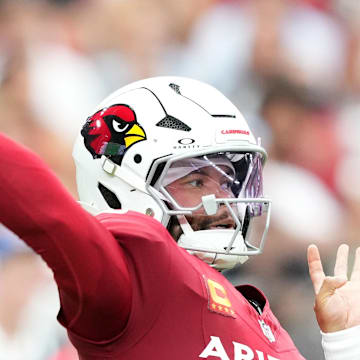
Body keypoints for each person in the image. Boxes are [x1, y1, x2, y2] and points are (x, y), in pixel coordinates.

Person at [0, 76, 359, 360]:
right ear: (121, 183)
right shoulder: (133, 277)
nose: (223, 200)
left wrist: (344, 343)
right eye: (197, 180)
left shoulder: (256, 312)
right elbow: (46, 211)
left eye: (229, 180)